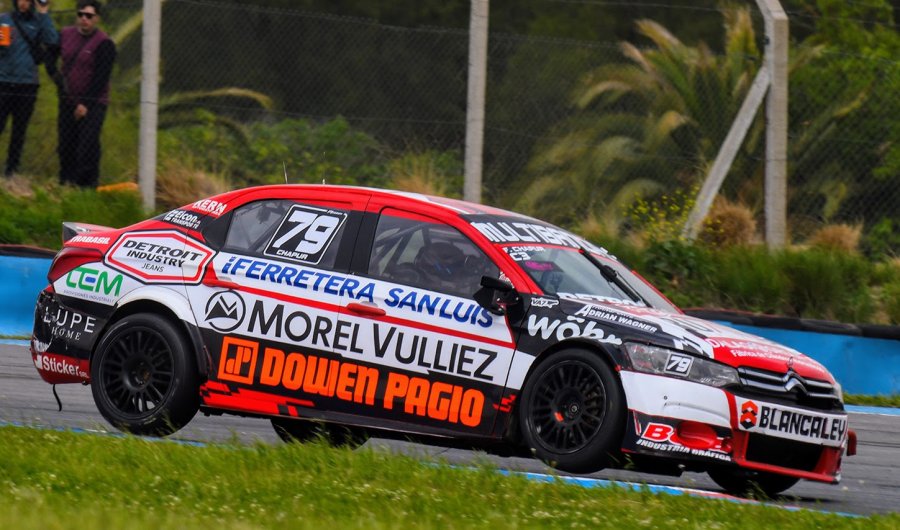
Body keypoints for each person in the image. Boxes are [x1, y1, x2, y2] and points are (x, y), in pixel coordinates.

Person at [57, 0, 115, 187]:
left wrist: (85, 104)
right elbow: (50, 53)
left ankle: (86, 186)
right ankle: (66, 181)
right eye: (81, 14)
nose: (84, 19)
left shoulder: (104, 43)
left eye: (89, 16)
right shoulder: (66, 35)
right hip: (68, 100)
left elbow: (101, 77)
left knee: (87, 145)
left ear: (96, 18)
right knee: (66, 143)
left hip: (94, 102)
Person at [0, 0, 58, 177]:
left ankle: (12, 170)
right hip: (4, 81)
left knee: (19, 130)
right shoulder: (6, 20)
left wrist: (44, 13)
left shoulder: (38, 21)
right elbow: (2, 49)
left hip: (27, 85)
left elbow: (52, 40)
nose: (22, 3)